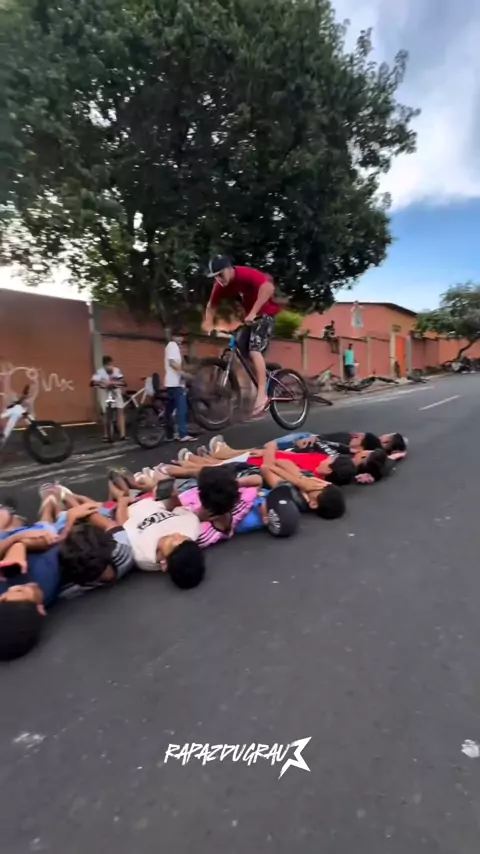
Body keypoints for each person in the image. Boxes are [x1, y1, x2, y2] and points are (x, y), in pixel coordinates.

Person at [204, 256, 281, 416]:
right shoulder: (220, 286)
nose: (219, 279)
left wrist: (253, 312)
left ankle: (262, 395)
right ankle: (267, 369)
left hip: (266, 314)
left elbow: (268, 288)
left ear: (229, 269)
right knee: (242, 352)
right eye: (215, 277)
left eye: (220, 274)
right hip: (251, 319)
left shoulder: (245, 274)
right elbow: (211, 306)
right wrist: (209, 324)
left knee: (254, 350)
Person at [164, 329, 195, 442]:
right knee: (182, 408)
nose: (180, 339)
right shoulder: (172, 346)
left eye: (182, 336)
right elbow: (172, 363)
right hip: (175, 383)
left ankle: (170, 434)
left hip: (173, 383)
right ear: (173, 337)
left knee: (170, 409)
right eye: (178, 336)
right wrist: (183, 373)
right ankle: (183, 434)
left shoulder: (175, 347)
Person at [91, 355, 126, 442]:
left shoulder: (116, 370)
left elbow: (123, 382)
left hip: (116, 393)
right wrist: (101, 384)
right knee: (106, 414)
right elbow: (92, 382)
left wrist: (114, 383)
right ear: (104, 365)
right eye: (108, 364)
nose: (110, 366)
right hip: (105, 394)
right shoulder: (100, 372)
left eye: (111, 364)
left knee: (120, 412)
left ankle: (122, 435)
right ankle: (106, 435)